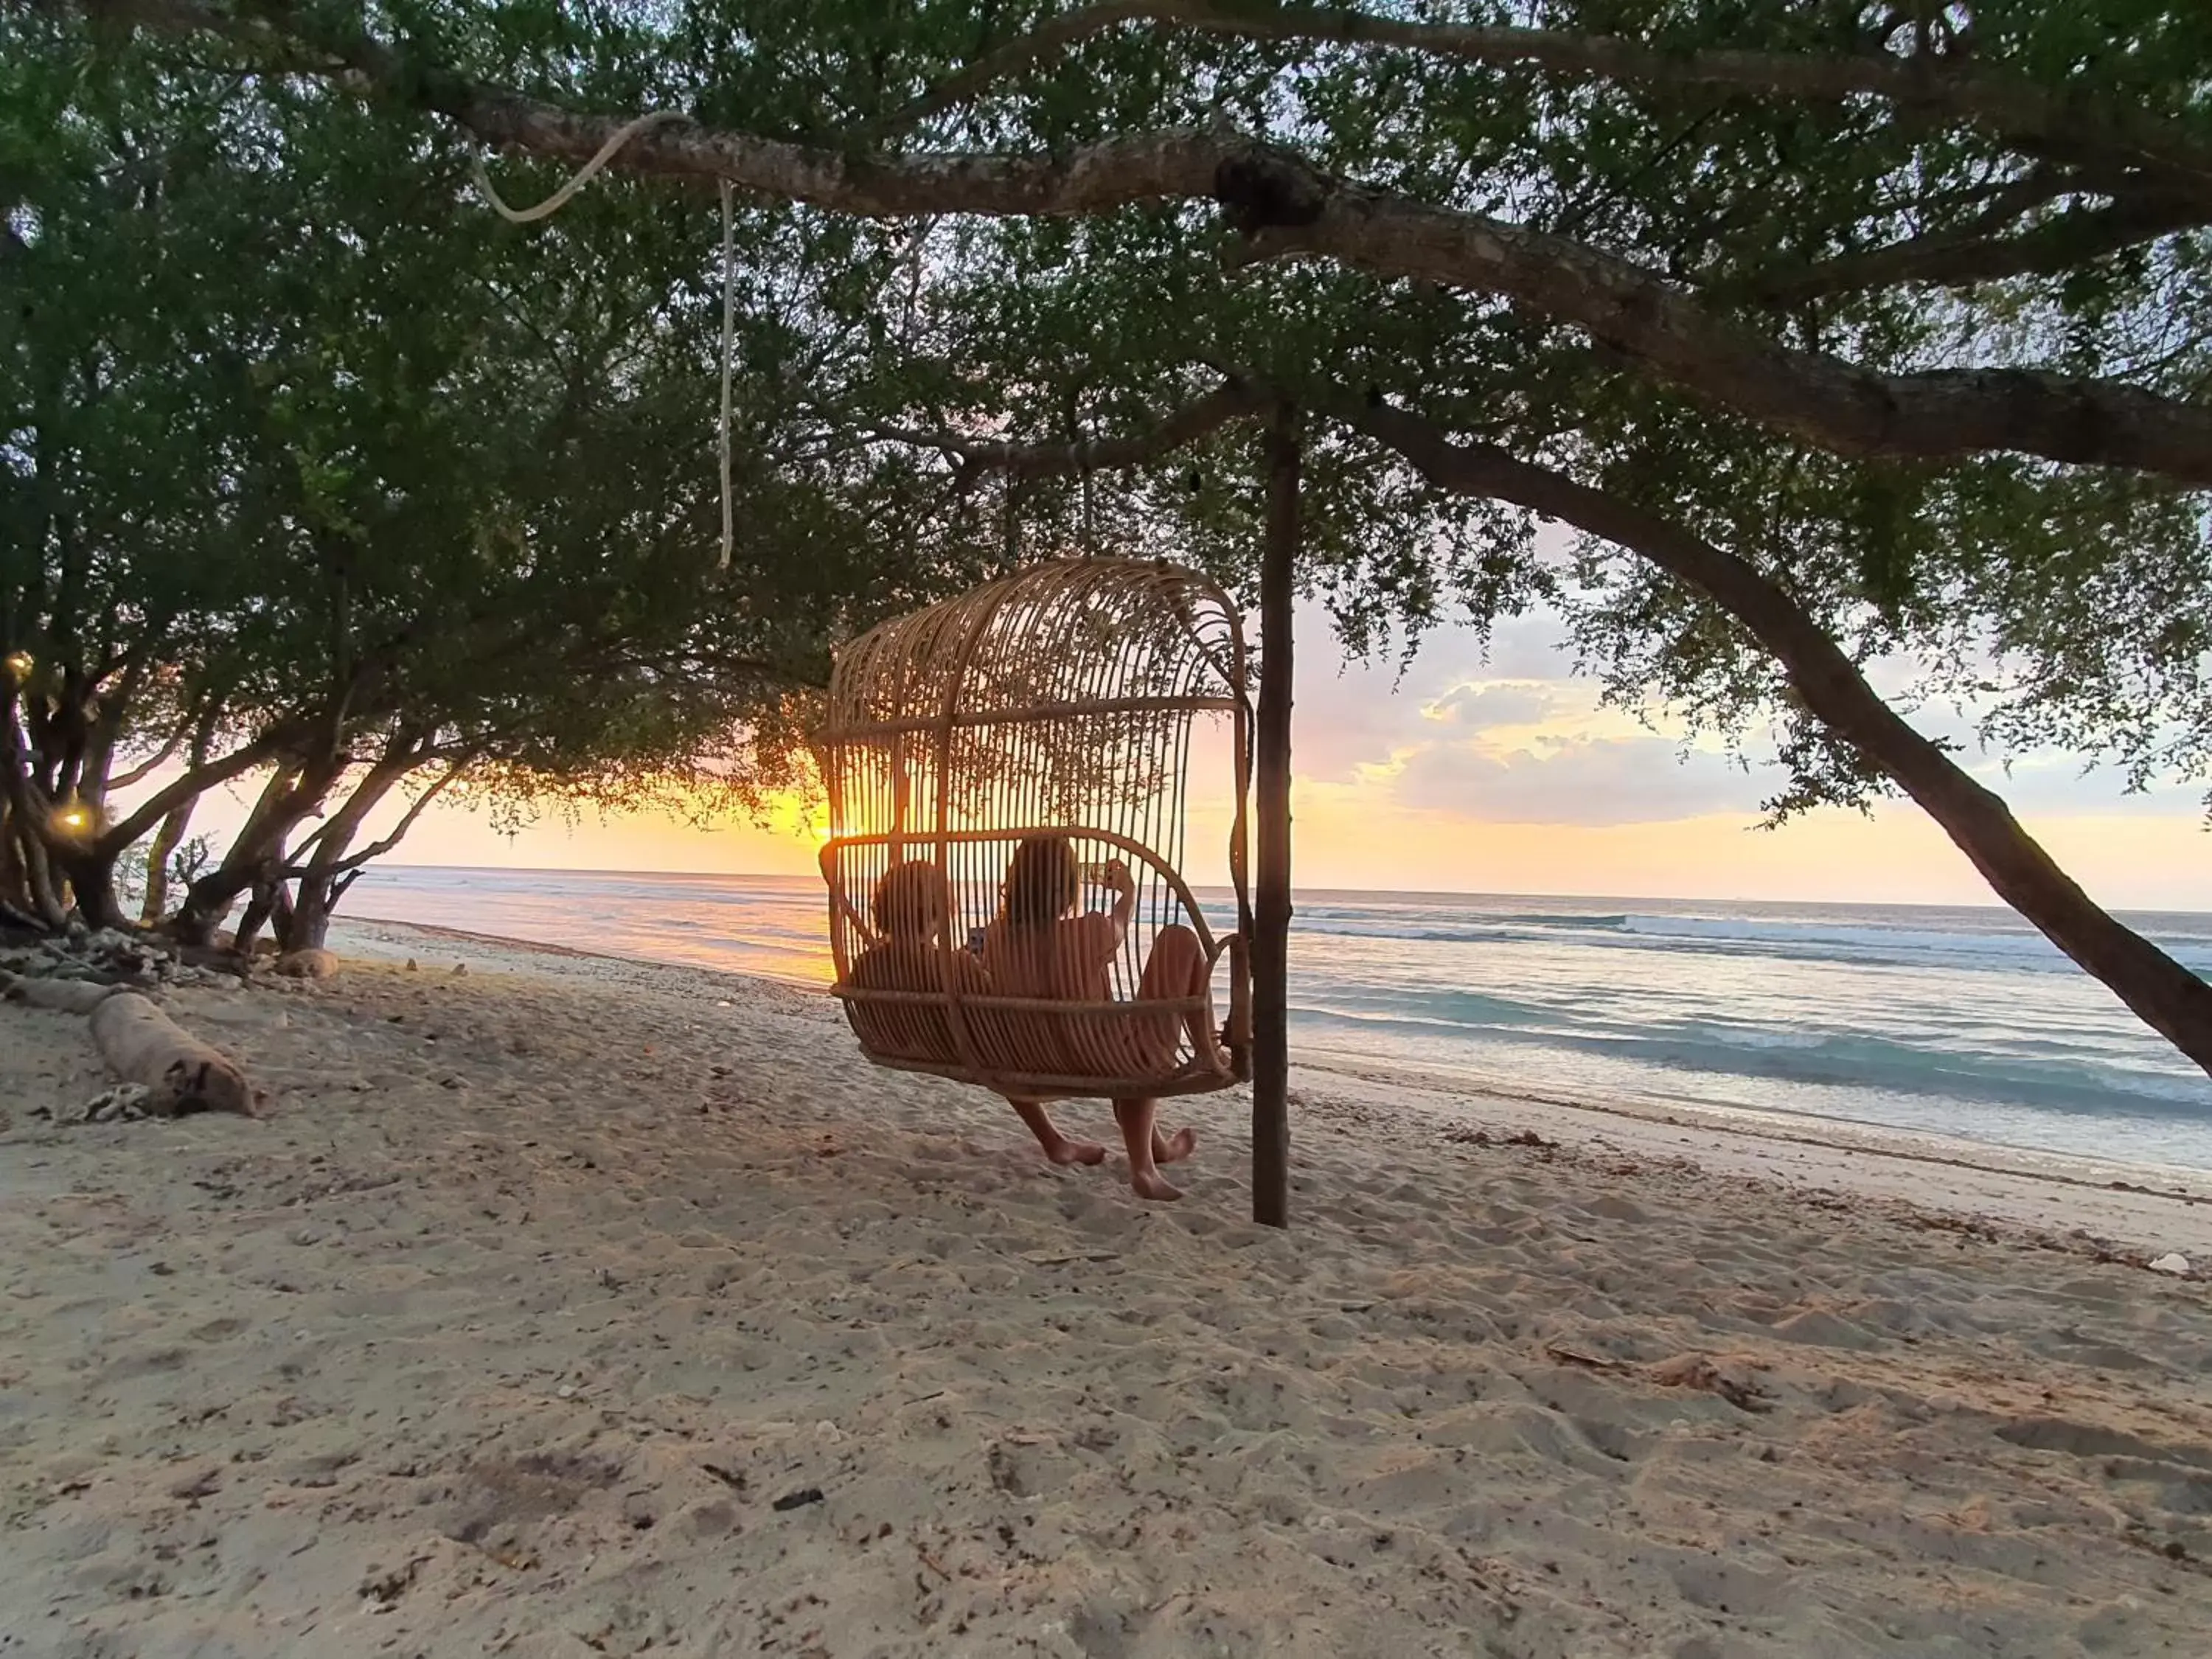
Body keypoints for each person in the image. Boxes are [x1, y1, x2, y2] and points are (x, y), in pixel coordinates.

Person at [981, 832, 1217, 1200]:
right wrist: (1127, 892)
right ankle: (1145, 1165)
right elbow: (1120, 924)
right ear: (1066, 888)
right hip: (1102, 1062)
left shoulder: (996, 938)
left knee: (1120, 1039)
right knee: (1179, 940)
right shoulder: (1088, 931)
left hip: (1026, 1060)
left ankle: (1075, 1144)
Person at [844, 860, 987, 1066]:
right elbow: (987, 1021)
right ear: (941, 910)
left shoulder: (864, 966)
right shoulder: (956, 968)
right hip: (951, 1050)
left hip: (889, 1044)